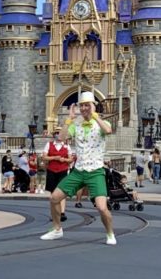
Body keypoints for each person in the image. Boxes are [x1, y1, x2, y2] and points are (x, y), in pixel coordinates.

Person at [40, 92, 116, 245]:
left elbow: (108, 131)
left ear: (93, 106)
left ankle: (110, 233)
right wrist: (69, 120)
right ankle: (57, 229)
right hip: (78, 171)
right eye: (82, 105)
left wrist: (95, 116)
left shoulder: (101, 123)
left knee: (101, 207)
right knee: (54, 198)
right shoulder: (77, 125)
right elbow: (61, 138)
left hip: (95, 171)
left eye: (87, 105)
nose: (84, 108)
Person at [42, 129, 71, 221]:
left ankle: (62, 213)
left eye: (60, 133)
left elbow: (70, 159)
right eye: (57, 133)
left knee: (62, 192)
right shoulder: (49, 145)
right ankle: (54, 213)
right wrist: (54, 157)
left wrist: (64, 160)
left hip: (63, 170)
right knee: (53, 193)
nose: (58, 135)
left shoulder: (67, 146)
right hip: (52, 170)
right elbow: (44, 157)